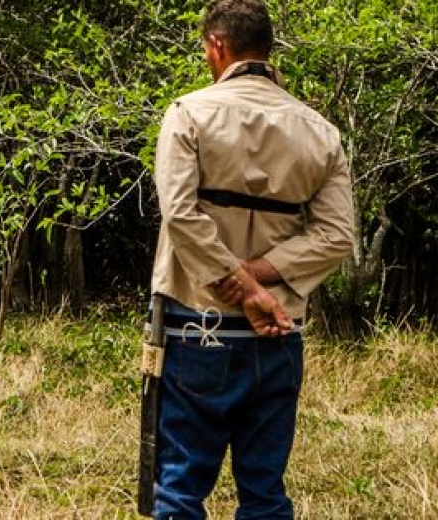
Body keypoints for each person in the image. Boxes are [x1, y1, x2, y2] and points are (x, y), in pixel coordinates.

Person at [147, 1, 356, 517]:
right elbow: (337, 235)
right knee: (264, 490)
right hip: (279, 331)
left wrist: (238, 282)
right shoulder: (320, 131)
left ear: (216, 47)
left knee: (178, 489)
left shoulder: (188, 113)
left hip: (196, 323)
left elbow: (179, 212)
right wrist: (263, 282)